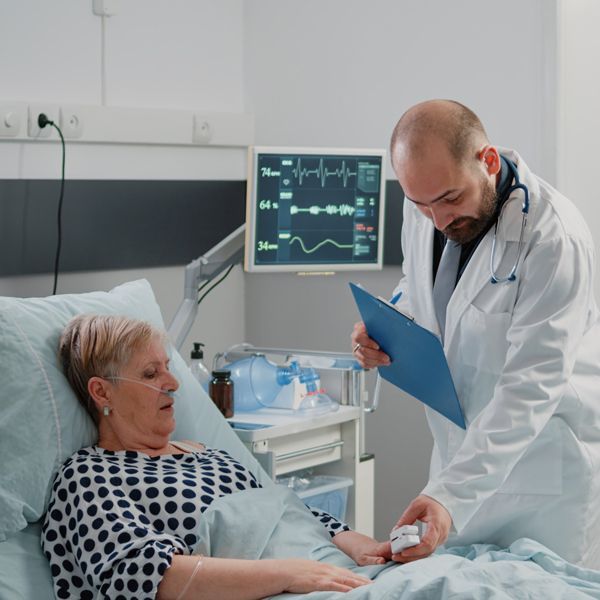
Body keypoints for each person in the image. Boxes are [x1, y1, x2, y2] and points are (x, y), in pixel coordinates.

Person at [352, 99, 600, 568]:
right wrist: (389, 323)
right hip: (458, 461)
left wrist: (450, 494)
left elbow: (531, 386)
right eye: (421, 205)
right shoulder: (426, 203)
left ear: (488, 162)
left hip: (543, 475)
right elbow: (427, 287)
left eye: (449, 200)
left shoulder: (553, 238)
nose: (439, 221)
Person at [42, 314, 391, 600]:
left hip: (332, 571)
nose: (173, 383)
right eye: (150, 374)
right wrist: (289, 573)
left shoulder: (210, 454)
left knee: (438, 574)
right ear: (102, 391)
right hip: (286, 587)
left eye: (167, 367)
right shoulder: (89, 475)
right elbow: (138, 575)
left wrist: (365, 548)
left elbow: (291, 513)